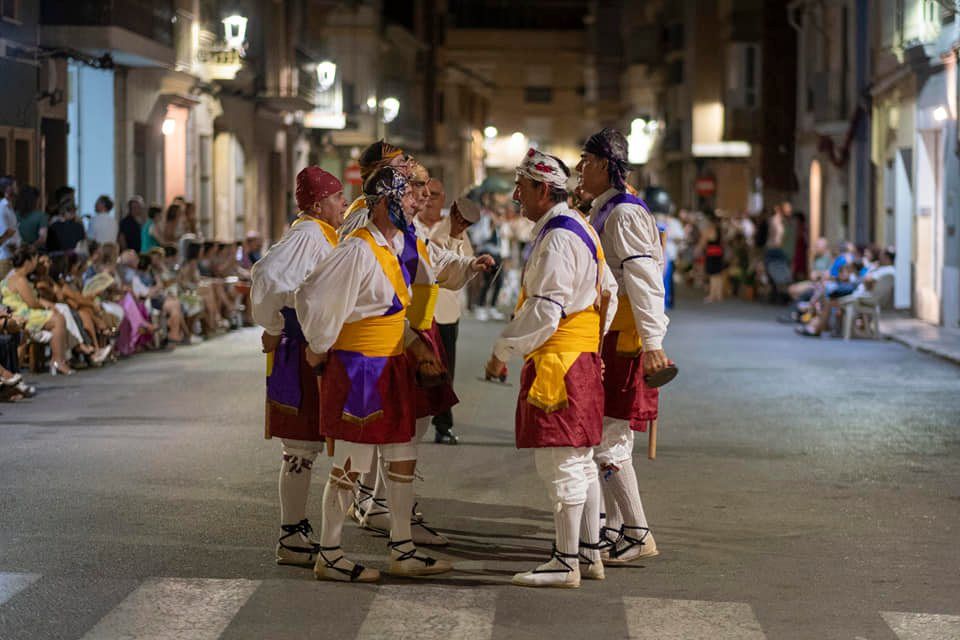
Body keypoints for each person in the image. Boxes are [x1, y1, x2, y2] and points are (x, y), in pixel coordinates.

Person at [294, 166, 452, 582]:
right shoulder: (358, 249)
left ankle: (402, 547)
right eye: (406, 197)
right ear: (383, 202)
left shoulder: (395, 243)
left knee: (401, 455)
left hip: (391, 364)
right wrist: (318, 346)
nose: (415, 203)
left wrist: (416, 347)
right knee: (352, 463)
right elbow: (314, 295)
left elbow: (395, 310)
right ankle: (329, 553)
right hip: (360, 367)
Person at [485, 148, 615, 588]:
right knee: (580, 459)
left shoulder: (558, 236)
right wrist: (590, 344)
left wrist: (502, 350)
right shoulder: (577, 227)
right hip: (578, 357)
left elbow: (545, 310)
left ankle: (565, 561)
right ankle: (589, 553)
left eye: (521, 187)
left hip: (559, 363)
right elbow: (608, 294)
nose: (516, 196)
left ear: (544, 190)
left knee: (561, 462)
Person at [577, 128, 671, 565]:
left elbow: (646, 280)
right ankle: (615, 528)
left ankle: (636, 530)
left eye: (585, 161)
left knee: (608, 440)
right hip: (616, 336)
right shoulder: (608, 209)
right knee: (612, 438)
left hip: (626, 339)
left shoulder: (623, 214)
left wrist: (653, 342)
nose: (579, 169)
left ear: (602, 165)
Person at [251, 166, 347, 567]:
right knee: (300, 446)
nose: (343, 204)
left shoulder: (321, 233)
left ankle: (296, 529)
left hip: (312, 344)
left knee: (307, 445)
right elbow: (266, 275)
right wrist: (273, 326)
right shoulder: (308, 234)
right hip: (301, 348)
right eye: (338, 198)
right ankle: (290, 533)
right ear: (319, 203)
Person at [427, 185, 481, 444]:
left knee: (444, 371)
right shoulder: (410, 226)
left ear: (444, 200)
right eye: (422, 191)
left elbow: (463, 266)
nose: (427, 199)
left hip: (444, 312)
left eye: (434, 194)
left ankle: (442, 424)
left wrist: (455, 237)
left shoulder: (453, 231)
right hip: (413, 312)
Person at [2, 246, 76, 375]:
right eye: (35, 260)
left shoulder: (15, 276)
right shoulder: (19, 279)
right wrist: (47, 307)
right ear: (28, 262)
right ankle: (58, 360)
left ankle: (59, 359)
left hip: (18, 312)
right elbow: (32, 303)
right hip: (20, 314)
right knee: (58, 319)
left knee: (57, 315)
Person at [0, 176, 21, 279]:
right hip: (5, 258)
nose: (17, 188)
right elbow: (5, 234)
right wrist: (17, 251)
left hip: (11, 256)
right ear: (8, 189)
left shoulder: (10, 207)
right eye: (15, 186)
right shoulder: (2, 208)